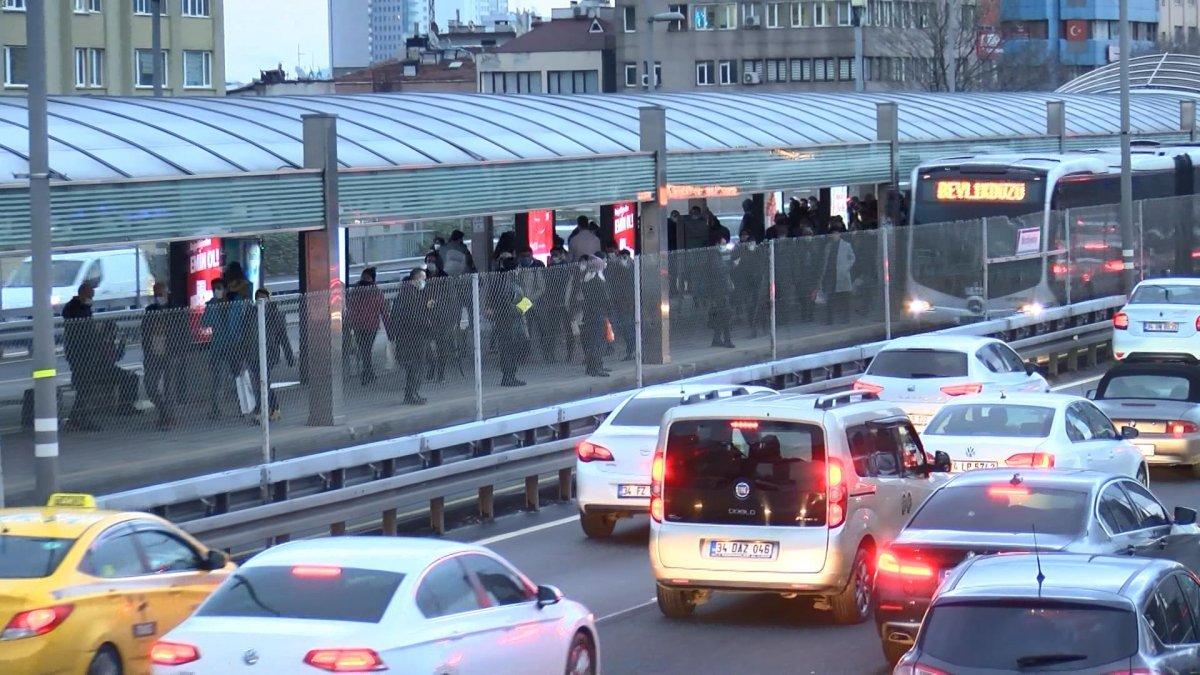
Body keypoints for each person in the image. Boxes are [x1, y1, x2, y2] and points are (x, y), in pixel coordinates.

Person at [201, 278, 250, 418]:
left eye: (219, 288)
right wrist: (212, 308)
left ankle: (242, 408)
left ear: (225, 289)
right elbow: (205, 323)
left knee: (237, 378)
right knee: (218, 380)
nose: (217, 291)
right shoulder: (211, 305)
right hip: (218, 346)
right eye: (214, 288)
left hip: (234, 345)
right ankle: (217, 410)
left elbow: (242, 321)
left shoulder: (235, 303)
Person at [388, 269, 433, 404]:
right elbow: (410, 316)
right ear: (415, 279)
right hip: (411, 336)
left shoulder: (415, 294)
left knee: (416, 366)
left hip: (415, 335)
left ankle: (413, 393)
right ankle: (411, 394)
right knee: (414, 366)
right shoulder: (408, 295)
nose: (424, 282)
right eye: (422, 279)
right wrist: (425, 322)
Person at [141, 282, 182, 429]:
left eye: (161, 294)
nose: (158, 297)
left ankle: (170, 417)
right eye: (156, 294)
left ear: (167, 293)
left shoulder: (175, 309)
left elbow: (180, 330)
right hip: (153, 352)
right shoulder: (150, 310)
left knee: (169, 387)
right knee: (150, 384)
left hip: (170, 351)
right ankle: (164, 412)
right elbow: (144, 331)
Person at [249, 288, 294, 421]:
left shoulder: (275, 315)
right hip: (254, 353)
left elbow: (283, 337)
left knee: (263, 382)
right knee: (261, 382)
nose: (261, 301)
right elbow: (246, 334)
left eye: (263, 298)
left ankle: (262, 410)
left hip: (270, 354)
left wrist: (289, 356)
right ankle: (271, 409)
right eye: (258, 298)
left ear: (268, 299)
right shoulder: (251, 313)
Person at [62, 282, 100, 430]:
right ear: (84, 293)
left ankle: (76, 418)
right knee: (84, 386)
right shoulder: (74, 308)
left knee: (85, 386)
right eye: (90, 294)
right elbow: (80, 327)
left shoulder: (83, 307)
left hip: (86, 352)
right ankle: (80, 418)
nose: (92, 298)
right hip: (79, 353)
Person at [487, 263, 528, 387]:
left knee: (509, 349)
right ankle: (509, 376)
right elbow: (509, 305)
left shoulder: (503, 283)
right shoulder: (506, 285)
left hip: (508, 321)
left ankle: (510, 375)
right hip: (509, 322)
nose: (519, 271)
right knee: (508, 349)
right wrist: (523, 307)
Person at [346, 267, 386, 385]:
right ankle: (368, 373)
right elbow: (383, 309)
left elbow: (350, 307)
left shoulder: (358, 290)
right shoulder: (372, 290)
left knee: (365, 350)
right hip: (365, 325)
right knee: (366, 350)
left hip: (364, 325)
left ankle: (368, 373)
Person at [576, 255, 613, 377]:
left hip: (589, 314)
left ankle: (591, 367)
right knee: (598, 343)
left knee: (592, 342)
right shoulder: (598, 281)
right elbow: (604, 299)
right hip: (598, 314)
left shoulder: (586, 280)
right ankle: (596, 368)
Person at [732, 227, 768, 339]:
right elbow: (737, 267)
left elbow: (764, 265)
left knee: (760, 306)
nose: (751, 245)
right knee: (751, 307)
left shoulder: (760, 251)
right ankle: (754, 329)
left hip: (759, 282)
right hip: (747, 283)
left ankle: (764, 327)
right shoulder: (742, 251)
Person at [820, 219, 857, 325]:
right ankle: (829, 319)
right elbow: (825, 261)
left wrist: (846, 267)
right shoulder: (828, 246)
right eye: (832, 234)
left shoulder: (846, 245)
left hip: (842, 274)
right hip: (830, 274)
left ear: (839, 234)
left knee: (844, 297)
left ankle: (846, 318)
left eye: (836, 234)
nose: (834, 236)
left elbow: (852, 258)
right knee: (830, 298)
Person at [704, 232, 735, 348]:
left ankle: (717, 338)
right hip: (719, 290)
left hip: (721, 289)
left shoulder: (718, 255)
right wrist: (733, 265)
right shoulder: (714, 256)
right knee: (725, 314)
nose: (724, 245)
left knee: (721, 315)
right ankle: (726, 339)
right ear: (717, 244)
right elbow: (720, 271)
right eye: (722, 243)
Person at [606, 247, 636, 360]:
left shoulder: (632, 268)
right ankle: (631, 350)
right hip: (620, 301)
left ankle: (632, 350)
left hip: (627, 302)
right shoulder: (616, 268)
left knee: (628, 325)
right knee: (625, 326)